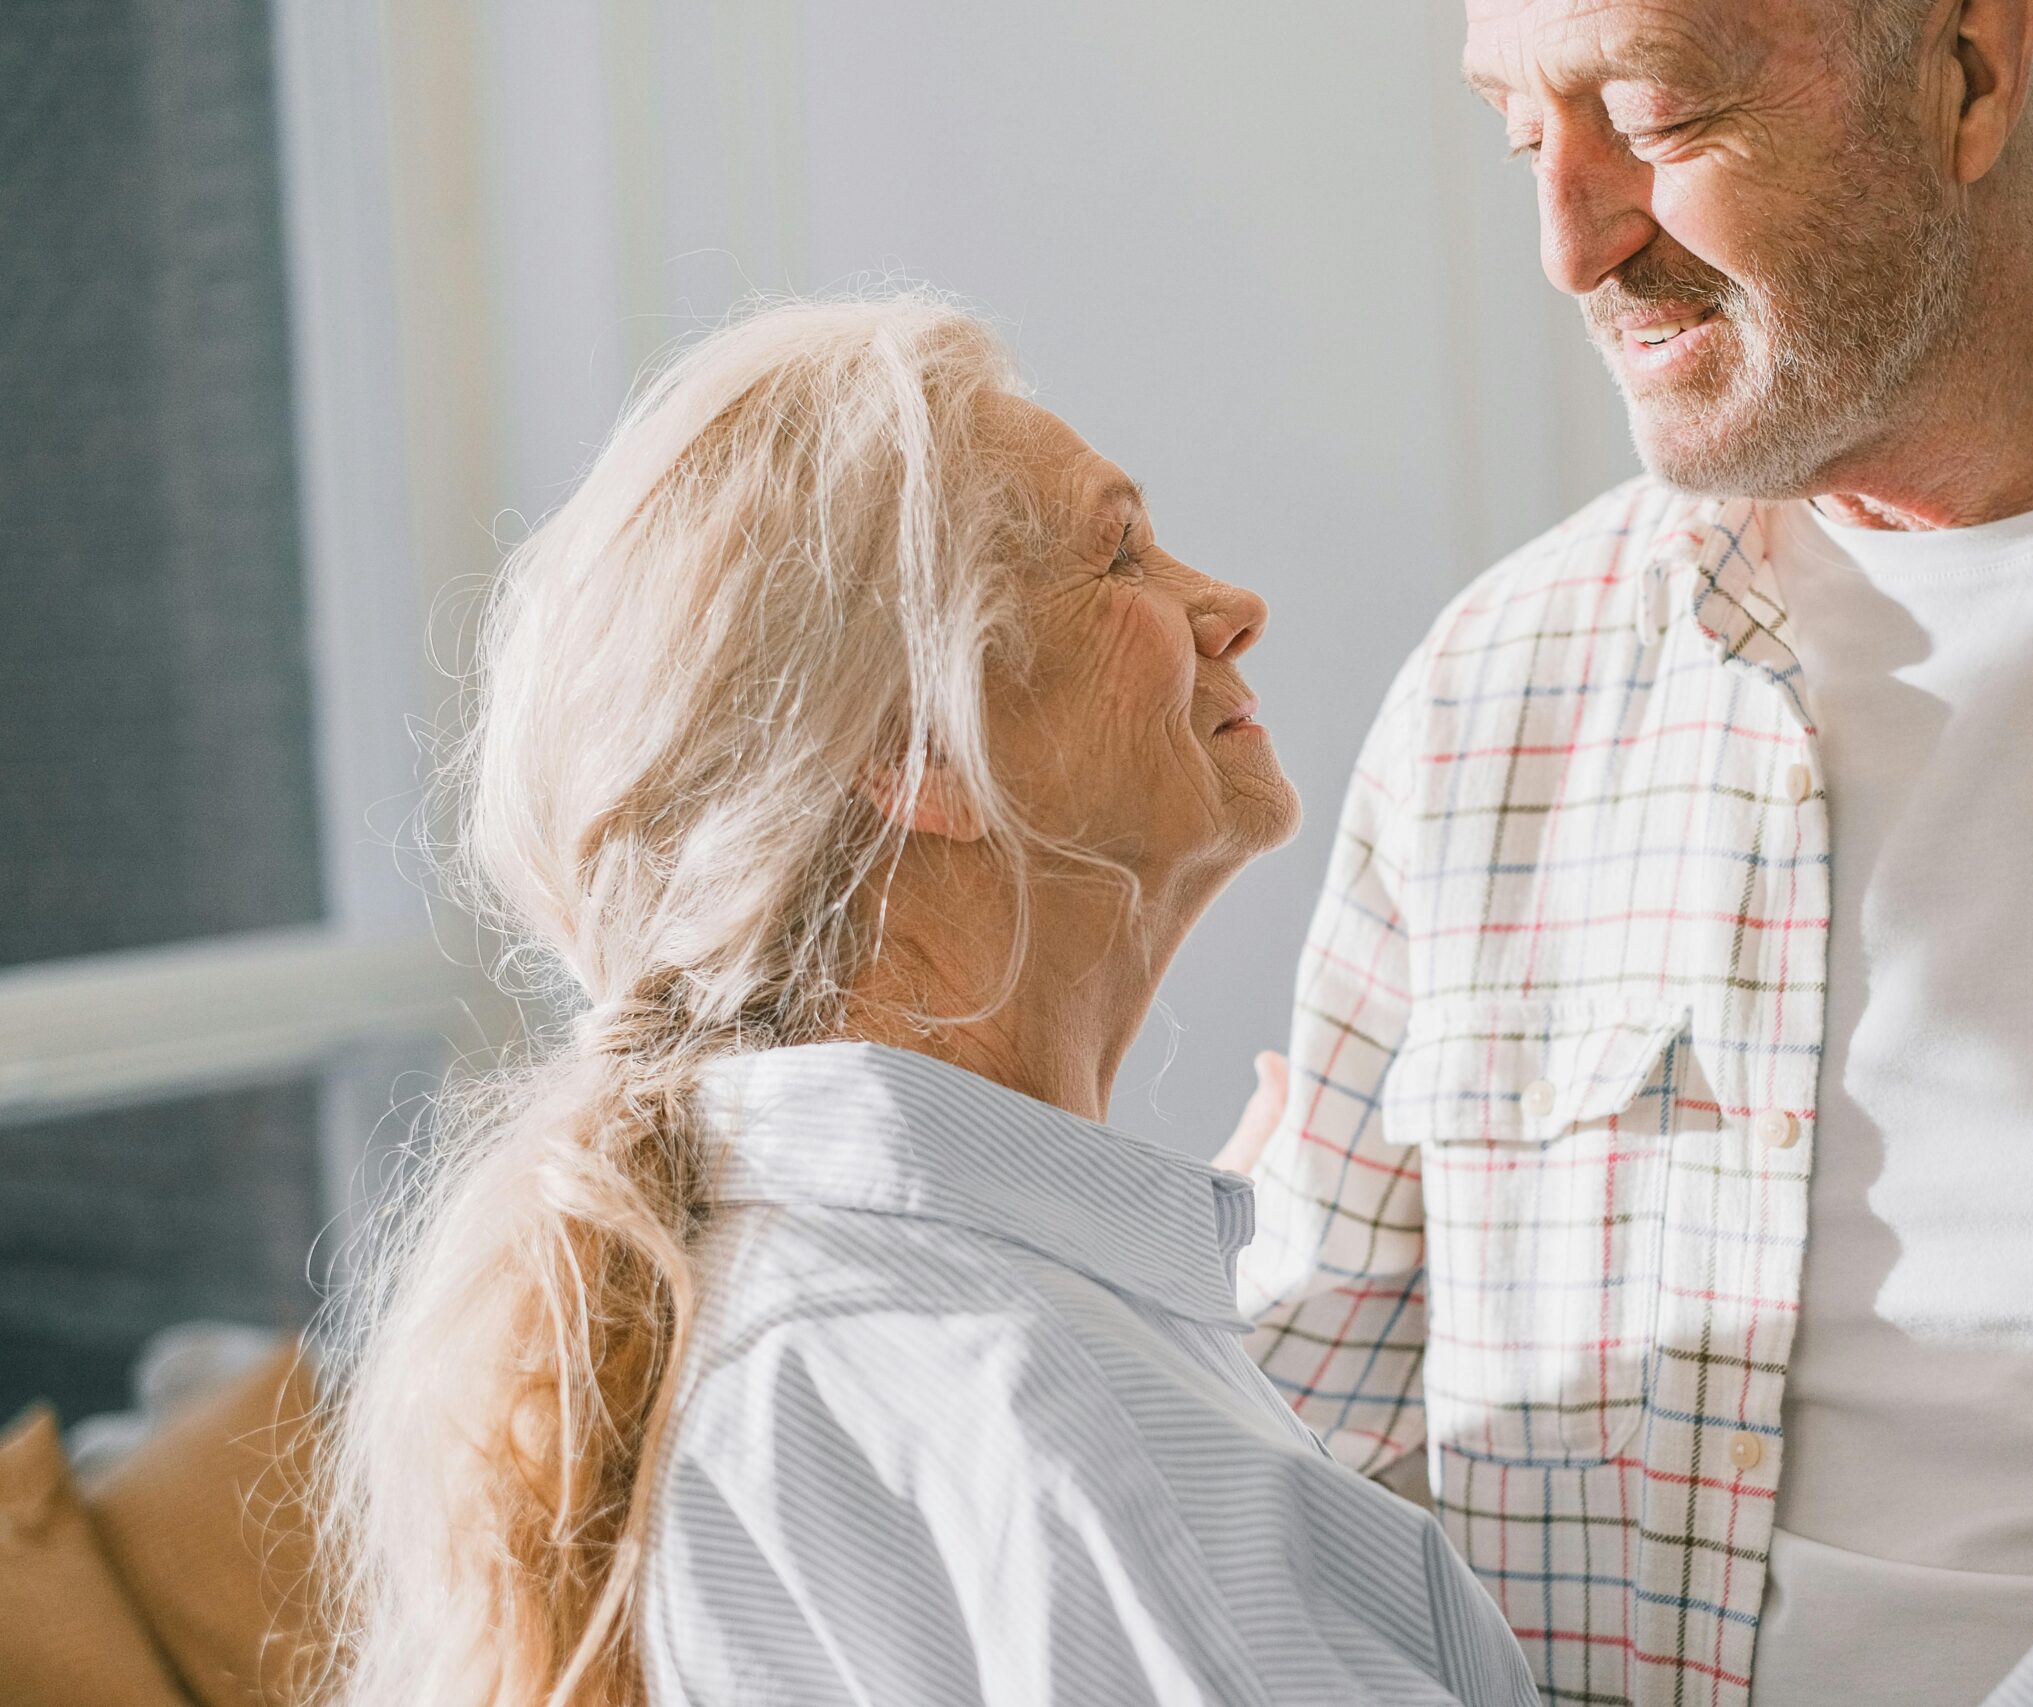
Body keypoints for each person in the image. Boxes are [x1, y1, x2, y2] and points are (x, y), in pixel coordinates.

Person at [1229, 2, 2033, 1704]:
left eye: (1653, 115)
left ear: (1970, 71)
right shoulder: (1490, 699)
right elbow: (1299, 1477)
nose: (1569, 243)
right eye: (1518, 132)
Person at [314, 300, 1545, 1707]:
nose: (1230, 606)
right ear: (922, 756)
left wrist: (1165, 1311)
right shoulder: (1055, 1414)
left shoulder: (784, 1305)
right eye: (1121, 553)